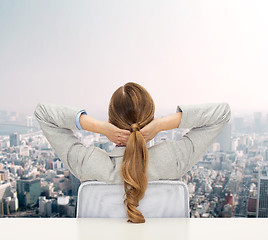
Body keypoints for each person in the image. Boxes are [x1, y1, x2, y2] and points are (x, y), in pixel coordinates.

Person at [34, 82, 231, 223]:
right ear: (151, 120)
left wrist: (99, 127)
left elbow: (43, 113)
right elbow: (222, 112)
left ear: (110, 121)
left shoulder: (88, 163)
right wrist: (162, 124)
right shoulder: (173, 159)